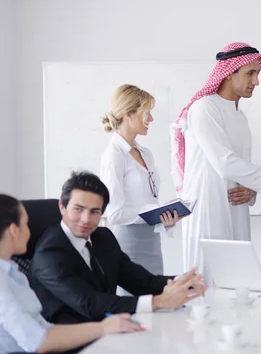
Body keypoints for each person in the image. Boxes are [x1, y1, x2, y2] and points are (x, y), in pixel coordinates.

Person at [170, 42, 261, 275]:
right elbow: (225, 163)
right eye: (250, 73)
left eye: (257, 73)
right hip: (208, 210)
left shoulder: (240, 116)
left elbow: (242, 168)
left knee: (239, 283)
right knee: (206, 286)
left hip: (237, 209)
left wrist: (252, 189)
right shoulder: (204, 108)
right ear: (228, 74)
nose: (256, 81)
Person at [30, 171, 207, 324]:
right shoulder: (49, 252)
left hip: (109, 329)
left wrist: (185, 282)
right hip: (69, 339)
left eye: (94, 212)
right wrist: (159, 301)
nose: (85, 219)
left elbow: (141, 281)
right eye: (78, 209)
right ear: (62, 206)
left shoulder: (103, 238)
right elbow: (90, 304)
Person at [0, 193, 144, 354]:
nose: (30, 231)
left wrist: (108, 327)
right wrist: (103, 328)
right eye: (26, 224)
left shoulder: (13, 272)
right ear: (13, 230)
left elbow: (46, 330)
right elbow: (38, 341)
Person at [100, 84, 180, 284]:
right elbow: (115, 213)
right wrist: (152, 212)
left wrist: (163, 215)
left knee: (158, 304)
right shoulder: (114, 156)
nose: (151, 119)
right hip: (128, 248)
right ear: (128, 114)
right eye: (147, 113)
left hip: (152, 245)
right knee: (134, 307)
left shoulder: (146, 154)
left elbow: (147, 201)